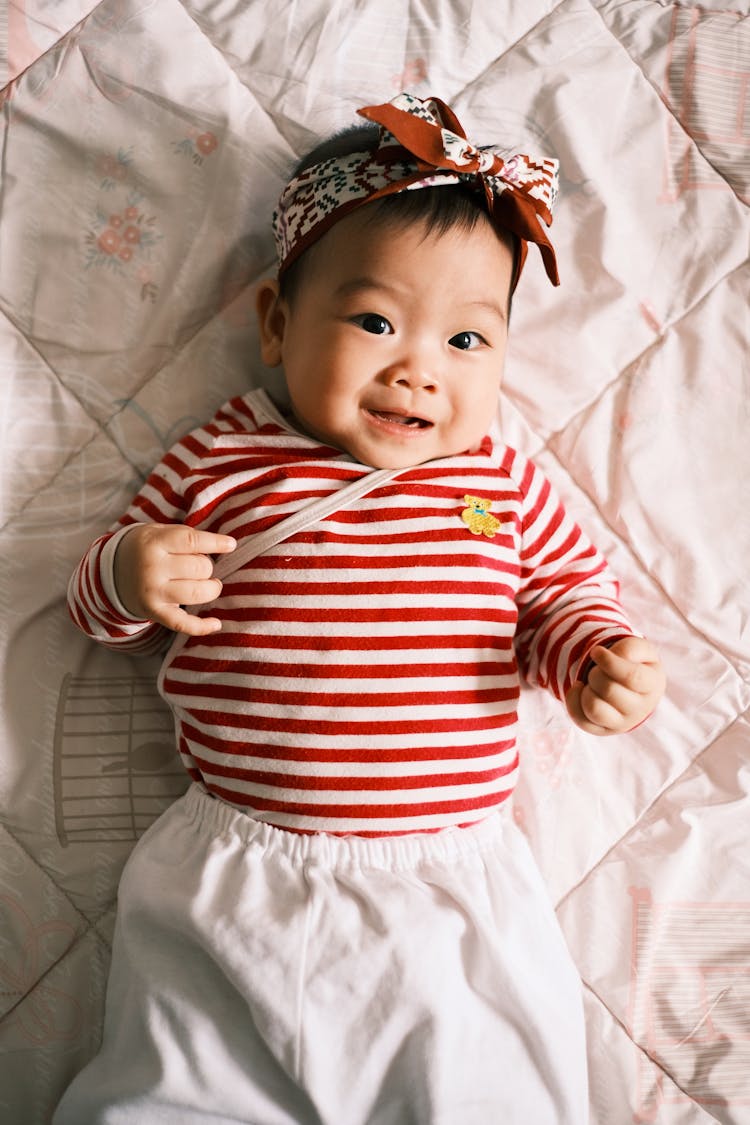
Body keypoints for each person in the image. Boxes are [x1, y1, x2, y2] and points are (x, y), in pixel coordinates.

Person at [55, 93, 665, 1124]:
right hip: (238, 868)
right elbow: (97, 606)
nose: (418, 368)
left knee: (487, 1094)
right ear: (278, 323)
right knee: (175, 1091)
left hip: (447, 887)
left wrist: (594, 656)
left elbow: (562, 595)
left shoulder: (499, 481)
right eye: (375, 321)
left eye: (469, 340)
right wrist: (130, 574)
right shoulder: (226, 456)